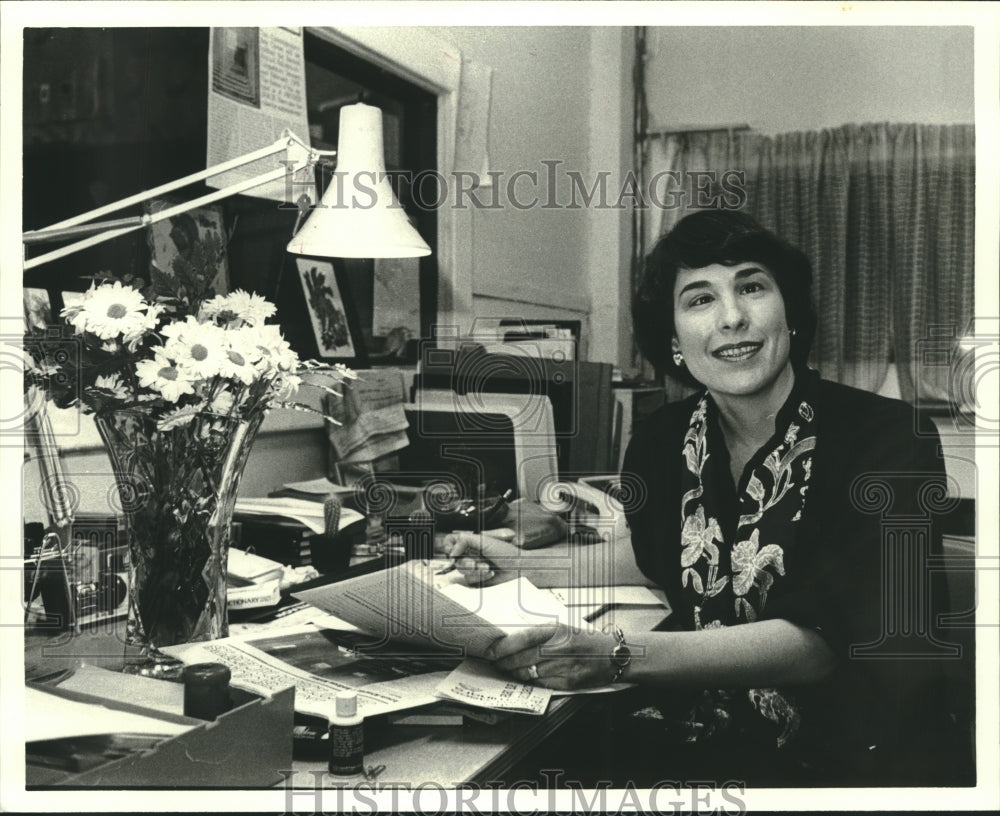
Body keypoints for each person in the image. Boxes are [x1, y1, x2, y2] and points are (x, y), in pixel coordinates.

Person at [443, 210, 969, 787]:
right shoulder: (664, 438)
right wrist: (512, 563)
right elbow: (655, 553)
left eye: (752, 286)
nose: (733, 317)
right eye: (699, 299)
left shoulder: (886, 437)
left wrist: (618, 654)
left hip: (856, 757)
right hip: (713, 738)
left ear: (789, 312)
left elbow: (825, 645)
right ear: (673, 339)